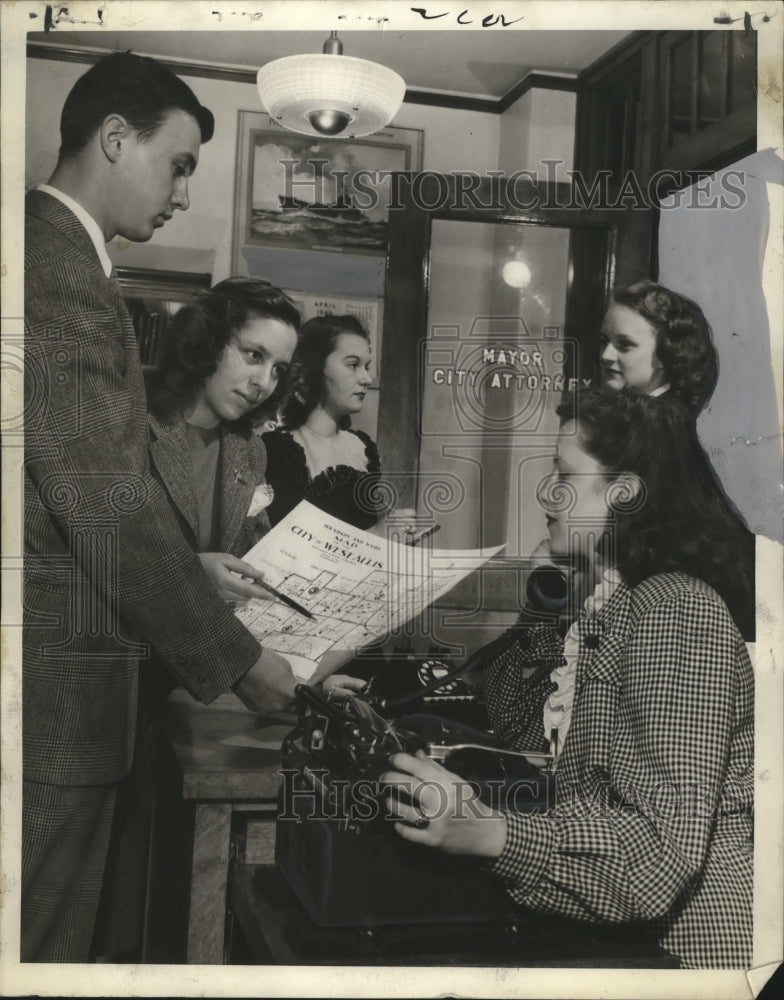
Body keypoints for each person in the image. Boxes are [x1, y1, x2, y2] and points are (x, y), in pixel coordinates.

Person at [23, 52, 295, 962]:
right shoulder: (63, 276)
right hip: (59, 696)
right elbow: (102, 504)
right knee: (43, 950)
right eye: (178, 164)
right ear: (113, 139)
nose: (183, 193)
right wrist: (241, 661)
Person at [384, 389, 754, 969]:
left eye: (567, 474)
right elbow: (519, 731)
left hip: (689, 952)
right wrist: (540, 612)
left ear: (625, 493)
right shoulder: (610, 603)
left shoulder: (677, 611)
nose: (547, 493)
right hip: (620, 933)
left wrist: (490, 834)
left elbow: (662, 855)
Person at [263, 314, 394, 531]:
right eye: (353, 365)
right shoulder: (274, 449)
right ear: (312, 371)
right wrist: (378, 535)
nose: (367, 379)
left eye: (366, 366)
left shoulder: (363, 448)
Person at [599, 279, 718, 414]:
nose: (605, 355)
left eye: (624, 344)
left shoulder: (663, 422)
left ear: (665, 352)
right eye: (604, 342)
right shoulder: (635, 413)